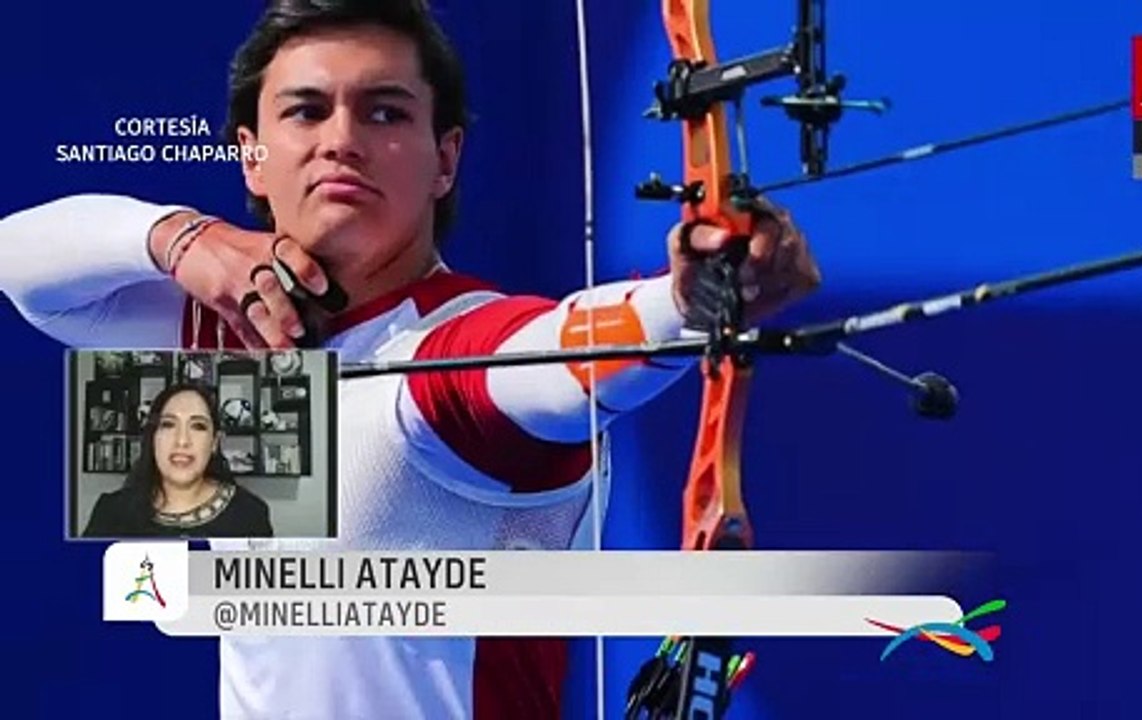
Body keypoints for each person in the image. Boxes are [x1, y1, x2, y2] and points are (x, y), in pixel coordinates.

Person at [0, 1, 820, 718]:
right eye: (306, 111)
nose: (341, 142)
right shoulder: (229, 339)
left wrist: (684, 303)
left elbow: (553, 354)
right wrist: (184, 238)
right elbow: (23, 267)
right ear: (251, 153)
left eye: (385, 113)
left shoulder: (447, 357)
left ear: (447, 159)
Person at [83, 381, 274, 539]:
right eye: (168, 425)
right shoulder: (111, 512)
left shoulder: (250, 514)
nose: (182, 440)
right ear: (153, 437)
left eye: (198, 426)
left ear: (214, 442)